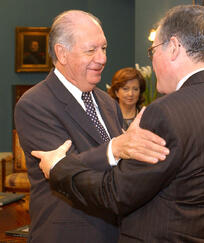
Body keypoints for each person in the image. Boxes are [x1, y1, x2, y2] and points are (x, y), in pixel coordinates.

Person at [34, 5, 204, 242]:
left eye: (153, 51)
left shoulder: (166, 113)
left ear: (173, 48)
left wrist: (59, 168)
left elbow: (115, 194)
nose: (151, 61)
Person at [14, 10, 169, 243]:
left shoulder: (107, 103)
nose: (102, 58)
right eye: (91, 50)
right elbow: (65, 171)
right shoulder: (34, 104)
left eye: (104, 48)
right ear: (62, 53)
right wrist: (116, 148)